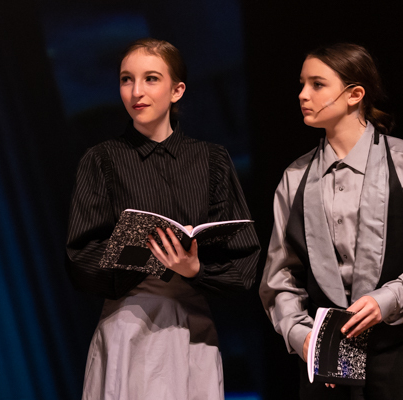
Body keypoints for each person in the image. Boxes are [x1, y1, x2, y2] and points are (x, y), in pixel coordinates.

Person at [259, 43, 403, 400]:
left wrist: (386, 300)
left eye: (317, 84)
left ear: (355, 94)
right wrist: (300, 335)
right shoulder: (296, 178)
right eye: (301, 84)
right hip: (326, 360)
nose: (303, 94)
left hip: (400, 353)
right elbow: (281, 276)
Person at [65, 38, 260, 400]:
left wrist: (196, 270)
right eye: (126, 79)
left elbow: (244, 263)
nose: (136, 91)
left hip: (192, 325)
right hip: (128, 323)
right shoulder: (101, 160)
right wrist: (148, 256)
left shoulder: (211, 160)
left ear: (177, 90)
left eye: (151, 78)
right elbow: (80, 258)